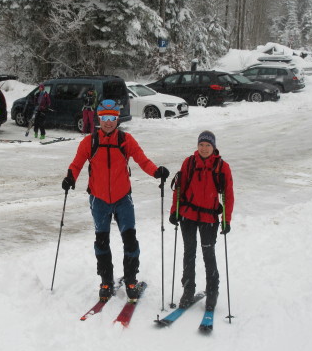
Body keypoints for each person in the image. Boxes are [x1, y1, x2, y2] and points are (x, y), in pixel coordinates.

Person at [62, 99, 170, 302]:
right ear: (99, 119)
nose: (108, 122)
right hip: (99, 200)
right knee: (101, 241)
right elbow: (76, 164)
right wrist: (70, 178)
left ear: (117, 119)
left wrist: (156, 171)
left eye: (112, 118)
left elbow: (141, 159)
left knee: (130, 240)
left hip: (123, 199)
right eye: (104, 118)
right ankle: (106, 282)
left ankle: (131, 282)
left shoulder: (126, 140)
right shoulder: (90, 142)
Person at [169, 130, 234, 312]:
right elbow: (178, 189)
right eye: (201, 145)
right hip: (188, 215)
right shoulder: (189, 162)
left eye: (208, 145)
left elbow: (228, 195)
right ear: (197, 146)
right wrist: (175, 211)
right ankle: (188, 290)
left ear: (213, 147)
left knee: (208, 255)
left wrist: (226, 220)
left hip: (209, 218)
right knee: (189, 253)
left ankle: (212, 292)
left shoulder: (222, 167)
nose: (204, 148)